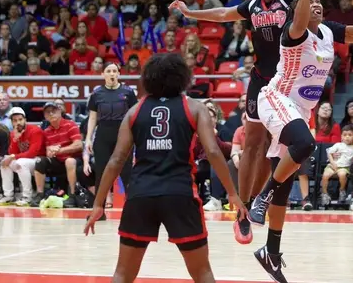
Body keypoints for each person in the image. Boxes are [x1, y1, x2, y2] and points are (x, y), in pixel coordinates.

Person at [169, 0, 341, 244]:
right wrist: (191, 14)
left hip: (290, 83)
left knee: (275, 149)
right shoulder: (249, 7)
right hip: (263, 81)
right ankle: (244, 209)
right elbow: (221, 15)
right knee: (253, 144)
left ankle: (264, 200)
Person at [248, 0, 353, 283]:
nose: (317, 5)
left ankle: (271, 252)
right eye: (311, 2)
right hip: (276, 97)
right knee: (305, 144)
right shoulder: (294, 30)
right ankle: (261, 195)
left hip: (299, 110)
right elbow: (302, 6)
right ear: (299, 9)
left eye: (320, 2)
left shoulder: (329, 32)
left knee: (286, 182)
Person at [82, 53, 247, 283]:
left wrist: (98, 204)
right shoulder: (194, 108)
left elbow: (115, 160)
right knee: (202, 273)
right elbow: (213, 152)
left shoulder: (135, 111)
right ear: (182, 77)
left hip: (140, 194)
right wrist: (232, 194)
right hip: (180, 193)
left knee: (122, 273)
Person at [85, 62, 138, 207]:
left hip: (123, 134)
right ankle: (99, 209)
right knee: (101, 172)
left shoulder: (128, 92)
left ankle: (132, 207)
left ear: (119, 74)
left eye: (115, 71)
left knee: (127, 172)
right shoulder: (96, 94)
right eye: (108, 71)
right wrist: (88, 139)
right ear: (103, 74)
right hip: (103, 134)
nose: (112, 74)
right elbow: (93, 118)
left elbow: (134, 115)